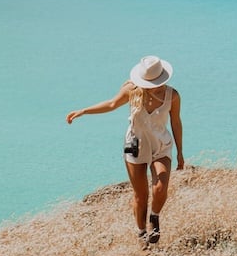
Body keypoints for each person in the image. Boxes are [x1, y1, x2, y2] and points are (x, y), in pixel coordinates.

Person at [66, 55, 185, 244]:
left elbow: (176, 123)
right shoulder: (133, 91)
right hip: (135, 146)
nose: (157, 85)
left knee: (160, 187)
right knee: (140, 195)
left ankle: (154, 217)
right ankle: (141, 234)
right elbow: (112, 104)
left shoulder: (173, 96)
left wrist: (180, 152)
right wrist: (84, 111)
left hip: (161, 146)